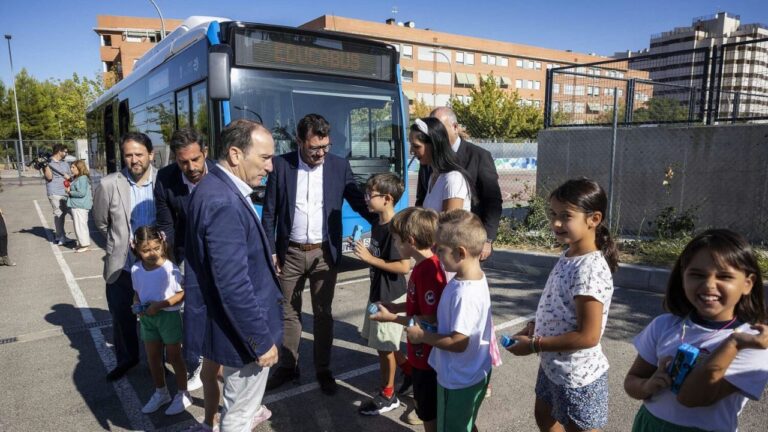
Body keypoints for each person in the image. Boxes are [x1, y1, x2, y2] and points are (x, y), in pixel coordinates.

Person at [262, 113, 374, 395]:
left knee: (323, 313)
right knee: (288, 311)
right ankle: (289, 366)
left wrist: (385, 224)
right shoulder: (281, 166)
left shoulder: (338, 165)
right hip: (290, 252)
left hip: (325, 252)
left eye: (326, 146)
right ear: (299, 141)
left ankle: (324, 369)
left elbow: (360, 201)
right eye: (314, 148)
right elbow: (270, 213)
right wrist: (269, 250)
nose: (321, 153)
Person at [185, 119, 283, 432]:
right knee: (239, 416)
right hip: (244, 336)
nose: (270, 167)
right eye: (265, 158)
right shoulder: (222, 199)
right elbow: (232, 284)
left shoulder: (216, 188)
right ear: (236, 155)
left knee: (238, 410)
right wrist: (260, 341)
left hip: (234, 330)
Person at [624, 229, 768, 432]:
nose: (709, 284)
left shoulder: (753, 342)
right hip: (649, 425)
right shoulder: (664, 325)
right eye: (697, 275)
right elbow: (632, 380)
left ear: (747, 283)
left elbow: (691, 398)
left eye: (724, 276)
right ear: (683, 277)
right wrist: (646, 387)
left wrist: (733, 343)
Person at [506, 178, 618, 432]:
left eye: (566, 216)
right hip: (554, 366)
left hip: (578, 376)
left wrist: (535, 345)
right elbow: (558, 304)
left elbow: (588, 336)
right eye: (553, 214)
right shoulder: (569, 254)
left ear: (594, 219)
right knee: (544, 416)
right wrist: (534, 326)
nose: (556, 223)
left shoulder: (589, 269)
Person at [406, 209, 493, 432]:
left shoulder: (465, 294)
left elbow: (459, 342)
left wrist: (423, 336)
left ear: (460, 252)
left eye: (440, 249)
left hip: (458, 379)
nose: (434, 252)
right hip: (472, 372)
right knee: (464, 422)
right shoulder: (471, 277)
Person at [371, 206, 446, 431]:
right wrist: (397, 306)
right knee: (426, 408)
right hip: (420, 355)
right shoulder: (422, 267)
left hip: (427, 359)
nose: (394, 244)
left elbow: (429, 320)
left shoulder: (429, 272)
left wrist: (393, 317)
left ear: (410, 241)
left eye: (395, 240)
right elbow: (418, 304)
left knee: (429, 413)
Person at [93, 132, 157, 381]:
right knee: (122, 316)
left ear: (150, 154)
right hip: (122, 267)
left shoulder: (162, 181)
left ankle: (159, 362)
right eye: (128, 155)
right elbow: (100, 222)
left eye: (139, 154)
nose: (134, 160)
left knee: (158, 317)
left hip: (155, 267)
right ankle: (128, 359)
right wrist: (117, 244)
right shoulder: (109, 184)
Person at [352, 173, 410, 416]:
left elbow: (404, 266)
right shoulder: (377, 222)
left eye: (370, 194)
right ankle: (410, 371)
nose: (366, 198)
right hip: (377, 293)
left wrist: (369, 258)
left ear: (387, 198)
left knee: (385, 346)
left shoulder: (396, 227)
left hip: (391, 297)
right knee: (381, 342)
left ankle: (389, 394)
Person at [426, 107, 502, 261]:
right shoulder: (430, 158)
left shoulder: (479, 156)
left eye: (441, 128)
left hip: (467, 242)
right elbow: (423, 196)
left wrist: (487, 240)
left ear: (455, 127)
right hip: (435, 243)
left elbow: (492, 200)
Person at [129, 225, 191, 415]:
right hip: (148, 319)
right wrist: (137, 305)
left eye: (156, 248)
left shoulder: (169, 268)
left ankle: (183, 393)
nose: (151, 253)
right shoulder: (135, 269)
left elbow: (182, 294)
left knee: (174, 357)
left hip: (168, 318)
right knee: (153, 358)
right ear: (136, 249)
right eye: (146, 250)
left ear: (162, 245)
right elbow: (137, 293)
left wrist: (161, 304)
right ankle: (161, 392)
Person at [410, 117, 473, 213]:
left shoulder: (453, 179)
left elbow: (450, 225)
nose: (411, 151)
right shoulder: (433, 176)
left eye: (416, 146)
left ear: (434, 145)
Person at [43, 144, 73, 245]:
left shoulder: (65, 163)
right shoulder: (48, 162)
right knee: (59, 213)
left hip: (65, 191)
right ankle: (60, 237)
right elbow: (49, 177)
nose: (66, 153)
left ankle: (62, 235)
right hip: (55, 192)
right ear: (59, 151)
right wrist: (45, 166)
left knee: (65, 213)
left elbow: (69, 176)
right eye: (65, 151)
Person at [66, 159, 93, 253]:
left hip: (80, 206)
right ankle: (81, 243)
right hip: (76, 205)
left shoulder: (82, 178)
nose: (71, 168)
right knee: (77, 226)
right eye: (71, 167)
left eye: (73, 167)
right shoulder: (78, 177)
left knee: (81, 226)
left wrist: (69, 192)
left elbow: (81, 193)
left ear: (79, 168)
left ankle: (85, 245)